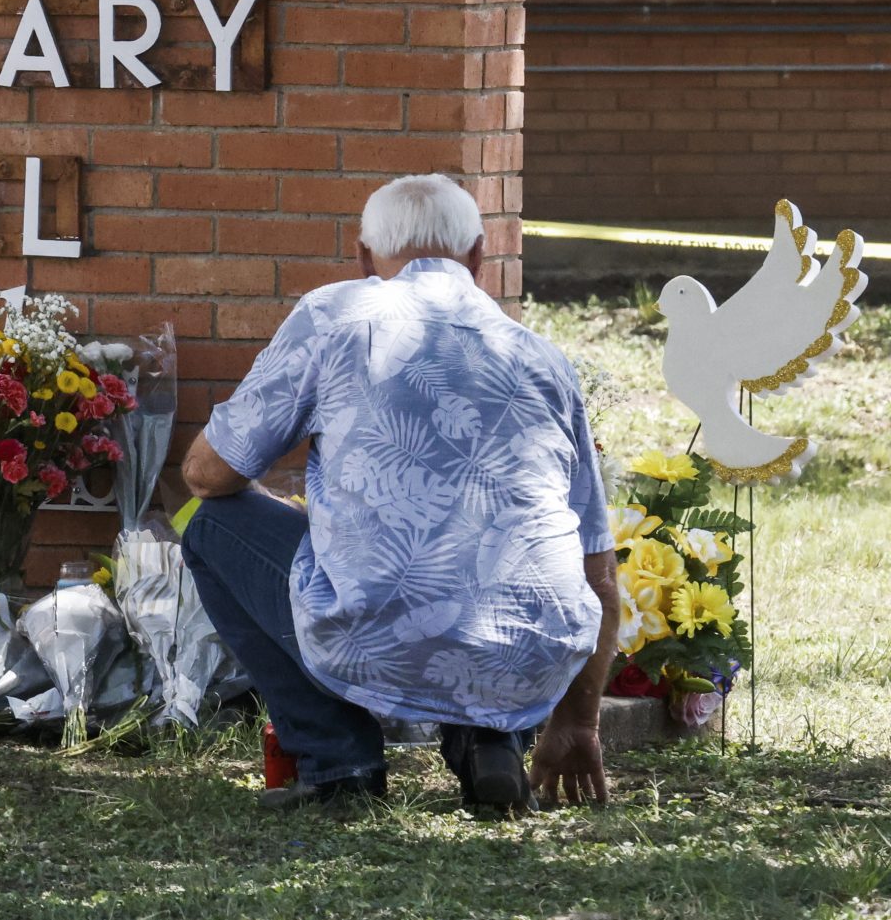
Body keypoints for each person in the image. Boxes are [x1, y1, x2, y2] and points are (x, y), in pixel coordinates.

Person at [179, 174, 618, 815]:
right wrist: (581, 724)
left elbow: (208, 477)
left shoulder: (335, 315)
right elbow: (597, 568)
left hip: (374, 633)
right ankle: (491, 740)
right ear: (478, 258)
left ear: (363, 258)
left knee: (211, 524)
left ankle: (338, 762)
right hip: (528, 655)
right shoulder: (544, 359)